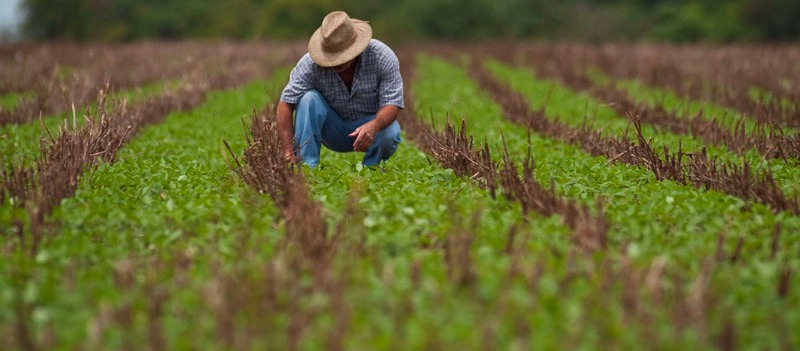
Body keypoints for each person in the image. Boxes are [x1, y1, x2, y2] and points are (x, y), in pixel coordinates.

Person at [277, 11, 404, 168]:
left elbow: (392, 103)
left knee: (390, 132)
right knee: (308, 99)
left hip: (369, 126)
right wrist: (288, 151)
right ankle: (307, 168)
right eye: (332, 55)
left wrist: (374, 125)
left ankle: (371, 170)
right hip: (332, 129)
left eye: (341, 55)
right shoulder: (310, 64)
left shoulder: (382, 57)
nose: (336, 62)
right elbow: (285, 104)